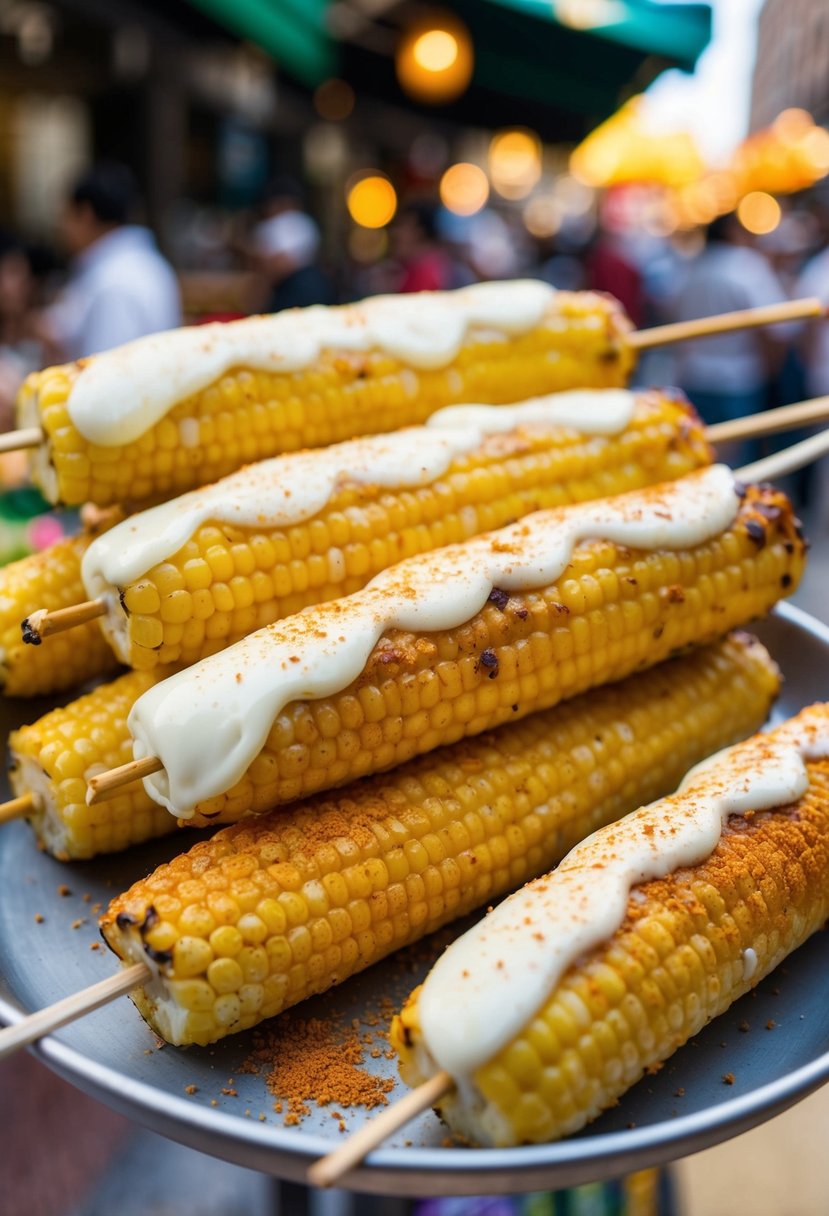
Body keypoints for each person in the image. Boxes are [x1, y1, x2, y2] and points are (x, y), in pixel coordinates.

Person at [668, 211, 795, 463]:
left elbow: (670, 309)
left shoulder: (691, 266)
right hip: (738, 379)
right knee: (736, 466)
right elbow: (780, 325)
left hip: (692, 374)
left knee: (697, 457)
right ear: (732, 231)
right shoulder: (745, 265)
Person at [40, 163, 181, 360]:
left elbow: (104, 377)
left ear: (86, 214)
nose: (60, 228)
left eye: (65, 216)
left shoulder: (115, 280)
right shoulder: (146, 263)